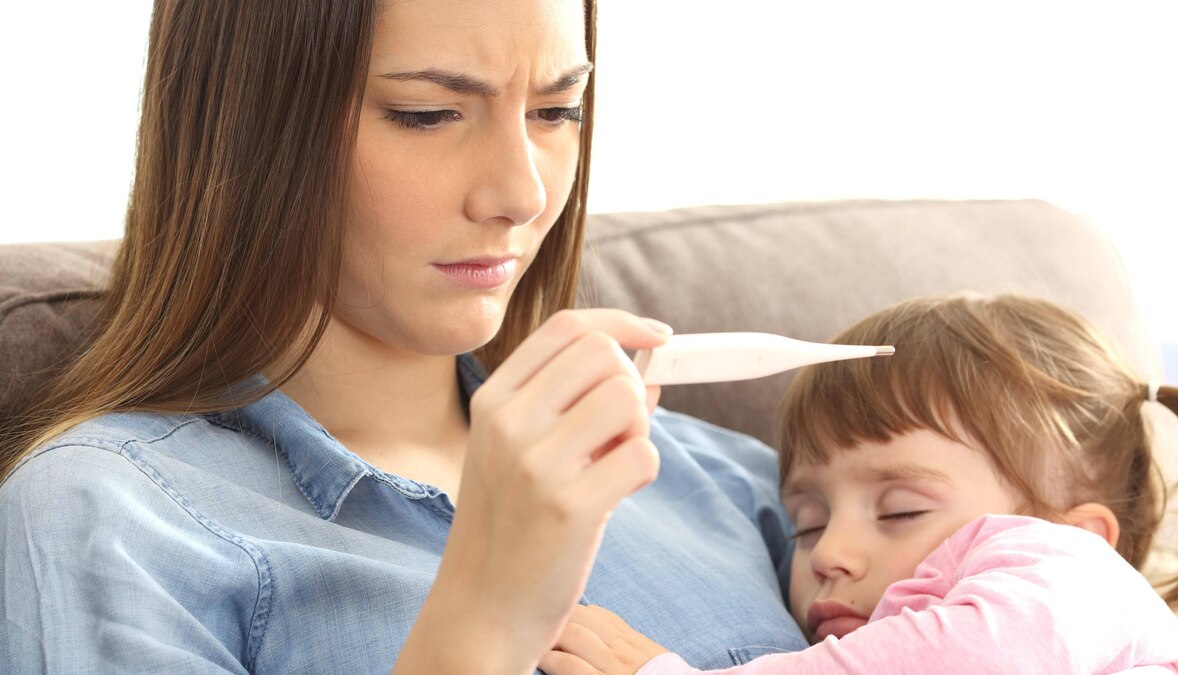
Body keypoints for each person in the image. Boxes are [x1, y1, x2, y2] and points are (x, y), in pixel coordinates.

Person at [0, 1, 808, 672]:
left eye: (557, 110)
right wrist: (483, 621)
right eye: (428, 114)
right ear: (251, 128)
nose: (521, 193)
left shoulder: (737, 484)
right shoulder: (111, 519)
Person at [540, 294, 1178, 674]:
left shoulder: (1077, 578)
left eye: (902, 510)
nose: (828, 554)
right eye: (808, 521)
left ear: (1081, 537)